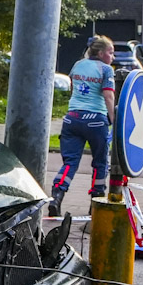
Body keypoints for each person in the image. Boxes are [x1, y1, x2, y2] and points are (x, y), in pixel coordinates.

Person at [50, 36, 117, 216]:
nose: (113, 57)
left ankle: (57, 194)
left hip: (72, 119)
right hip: (96, 120)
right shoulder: (106, 70)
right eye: (111, 53)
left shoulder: (77, 65)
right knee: (100, 163)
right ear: (101, 53)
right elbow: (108, 96)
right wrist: (115, 121)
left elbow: (73, 90)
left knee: (70, 162)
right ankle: (96, 201)